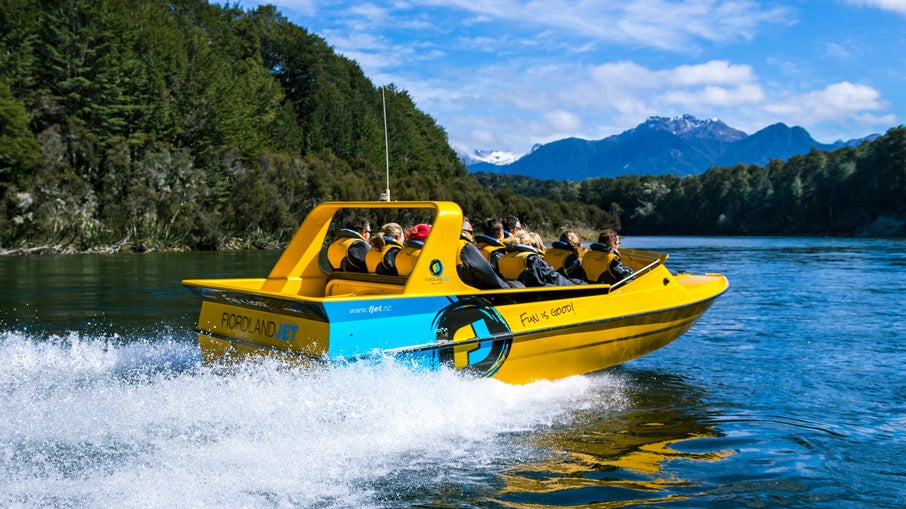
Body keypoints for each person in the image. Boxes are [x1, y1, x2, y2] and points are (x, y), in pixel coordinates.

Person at [497, 230, 576, 287]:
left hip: (515, 296)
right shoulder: (531, 258)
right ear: (529, 243)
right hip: (536, 297)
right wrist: (575, 287)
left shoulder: (502, 258)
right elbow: (553, 277)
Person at [456, 217, 510, 290]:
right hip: (475, 293)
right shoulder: (466, 248)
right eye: (470, 232)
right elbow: (489, 276)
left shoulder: (449, 247)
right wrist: (508, 289)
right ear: (462, 232)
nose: (471, 236)